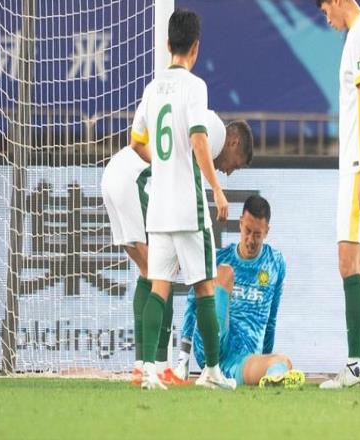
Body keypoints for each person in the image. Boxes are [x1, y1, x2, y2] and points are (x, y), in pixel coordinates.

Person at [101, 112, 253, 387]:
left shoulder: (181, 114)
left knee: (149, 271)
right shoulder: (214, 130)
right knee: (163, 273)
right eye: (236, 164)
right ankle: (160, 367)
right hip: (136, 180)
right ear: (233, 143)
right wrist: (213, 193)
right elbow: (187, 169)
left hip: (115, 174)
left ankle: (142, 367)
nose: (229, 171)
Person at [134, 8, 236, 391]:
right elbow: (198, 139)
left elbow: (136, 141)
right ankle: (211, 372)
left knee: (158, 286)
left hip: (159, 206)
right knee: (205, 287)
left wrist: (162, 165)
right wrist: (216, 187)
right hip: (188, 207)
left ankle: (147, 369)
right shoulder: (195, 87)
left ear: (167, 45)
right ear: (195, 47)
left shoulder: (151, 89)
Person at [315, 0, 360, 389]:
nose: (326, 17)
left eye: (326, 7)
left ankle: (355, 365)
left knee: (347, 261)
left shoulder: (359, 36)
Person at [174, 196, 305, 389]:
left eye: (257, 234)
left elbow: (271, 319)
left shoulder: (275, 263)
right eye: (247, 231)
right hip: (211, 348)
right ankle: (211, 369)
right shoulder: (220, 258)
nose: (251, 240)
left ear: (267, 231)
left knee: (283, 361)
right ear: (240, 223)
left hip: (241, 361)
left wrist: (265, 359)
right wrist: (183, 358)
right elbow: (193, 303)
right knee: (225, 272)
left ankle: (273, 378)